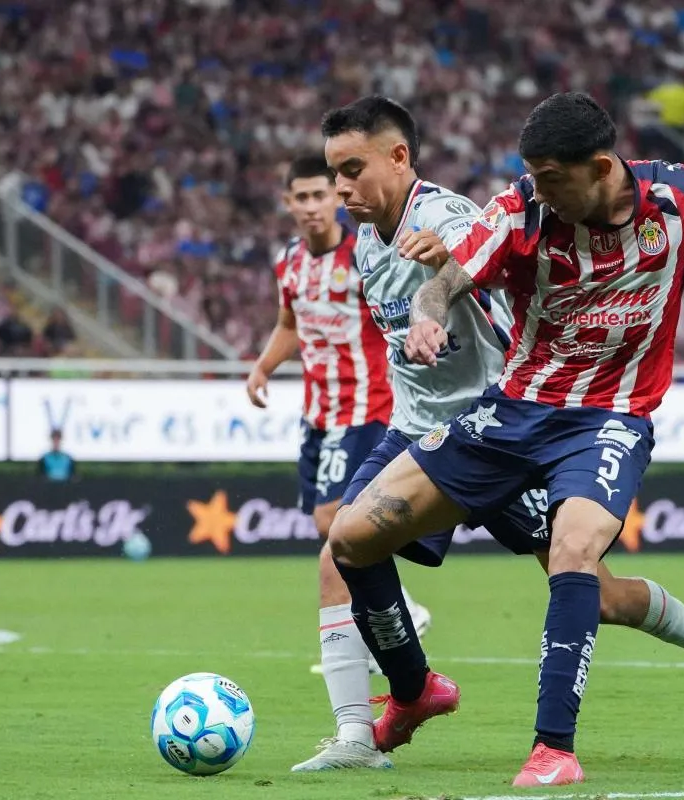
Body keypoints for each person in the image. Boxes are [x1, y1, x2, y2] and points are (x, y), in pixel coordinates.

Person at [326, 92, 684, 787]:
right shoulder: (520, 210)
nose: (537, 191)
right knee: (350, 539)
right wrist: (429, 312)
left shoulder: (680, 198)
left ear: (602, 167)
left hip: (609, 418)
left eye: (551, 178)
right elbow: (452, 277)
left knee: (575, 555)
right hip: (512, 412)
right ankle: (415, 689)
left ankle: (554, 750)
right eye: (532, 177)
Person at [244, 154, 430, 773]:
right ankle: (396, 614)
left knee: (335, 523)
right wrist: (264, 366)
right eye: (298, 197)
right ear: (288, 203)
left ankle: (399, 615)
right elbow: (288, 324)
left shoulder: (364, 254)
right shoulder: (289, 262)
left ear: (335, 198)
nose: (310, 206)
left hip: (371, 411)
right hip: (318, 417)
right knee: (330, 530)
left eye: (319, 195)